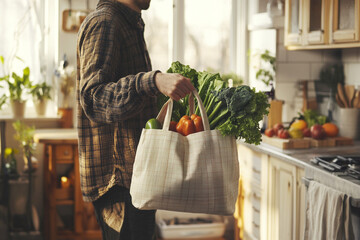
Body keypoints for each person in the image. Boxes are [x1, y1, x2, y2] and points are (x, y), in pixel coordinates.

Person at [76, 0, 195, 239]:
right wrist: (152, 81)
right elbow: (92, 97)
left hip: (134, 174)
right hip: (117, 179)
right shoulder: (105, 22)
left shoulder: (128, 23)